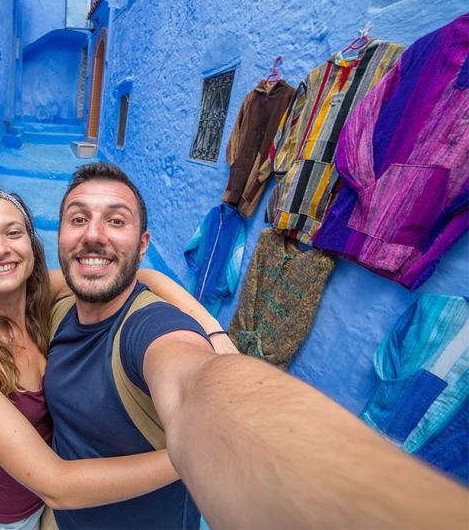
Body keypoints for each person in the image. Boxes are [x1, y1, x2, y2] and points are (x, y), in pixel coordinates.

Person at [48, 162, 468, 529]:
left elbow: (198, 388)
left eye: (116, 221)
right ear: (61, 236)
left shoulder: (151, 329)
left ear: (143, 245)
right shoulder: (58, 306)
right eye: (78, 219)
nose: (94, 235)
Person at [0, 186, 225, 530]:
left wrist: (216, 335)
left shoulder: (44, 298)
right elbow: (57, 485)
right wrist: (189, 457)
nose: (0, 249)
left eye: (13, 233)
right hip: (11, 513)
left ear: (30, 244)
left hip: (57, 507)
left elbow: (142, 277)